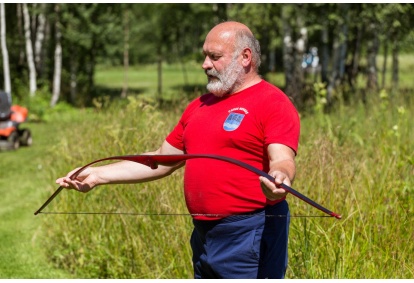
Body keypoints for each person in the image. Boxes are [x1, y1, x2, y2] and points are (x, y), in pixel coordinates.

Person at [56, 21, 300, 279]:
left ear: (245, 57)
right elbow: (162, 160)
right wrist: (97, 175)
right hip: (204, 235)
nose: (205, 64)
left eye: (214, 57)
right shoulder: (200, 106)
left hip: (250, 232)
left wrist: (280, 178)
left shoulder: (273, 102)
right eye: (205, 56)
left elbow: (282, 160)